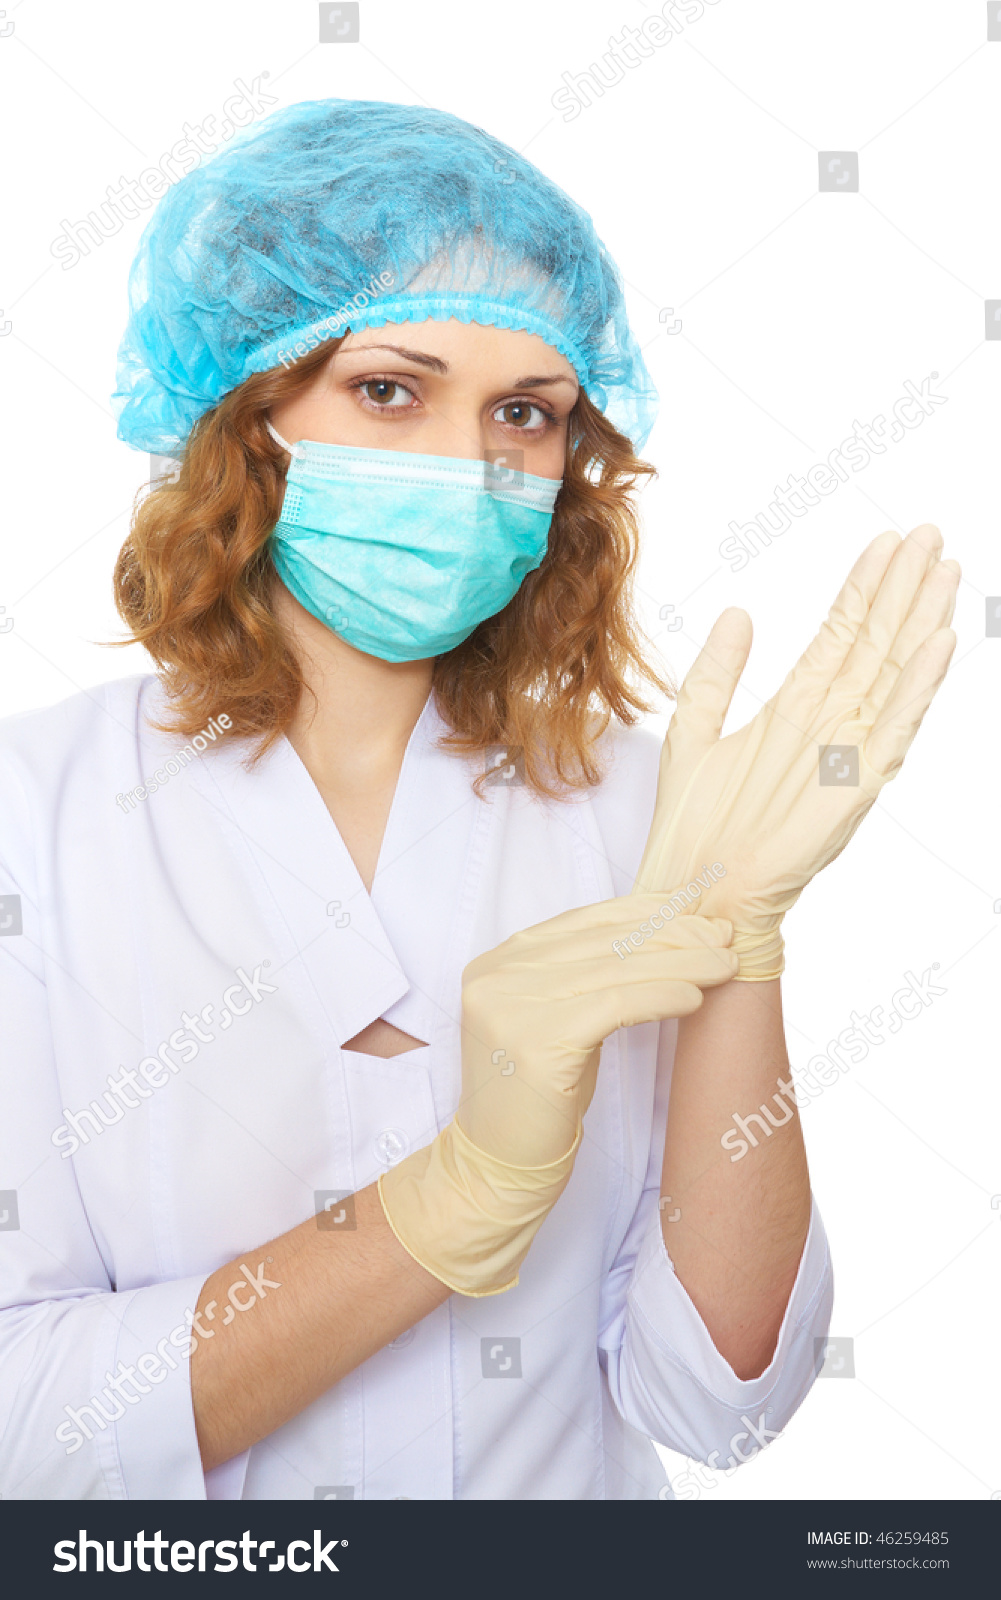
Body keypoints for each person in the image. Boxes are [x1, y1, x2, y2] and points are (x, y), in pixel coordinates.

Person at [0, 98, 957, 1501]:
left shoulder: (654, 808)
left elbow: (722, 1410)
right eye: (389, 389)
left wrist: (737, 941)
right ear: (250, 412)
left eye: (525, 414)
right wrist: (448, 1205)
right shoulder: (38, 816)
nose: (468, 463)